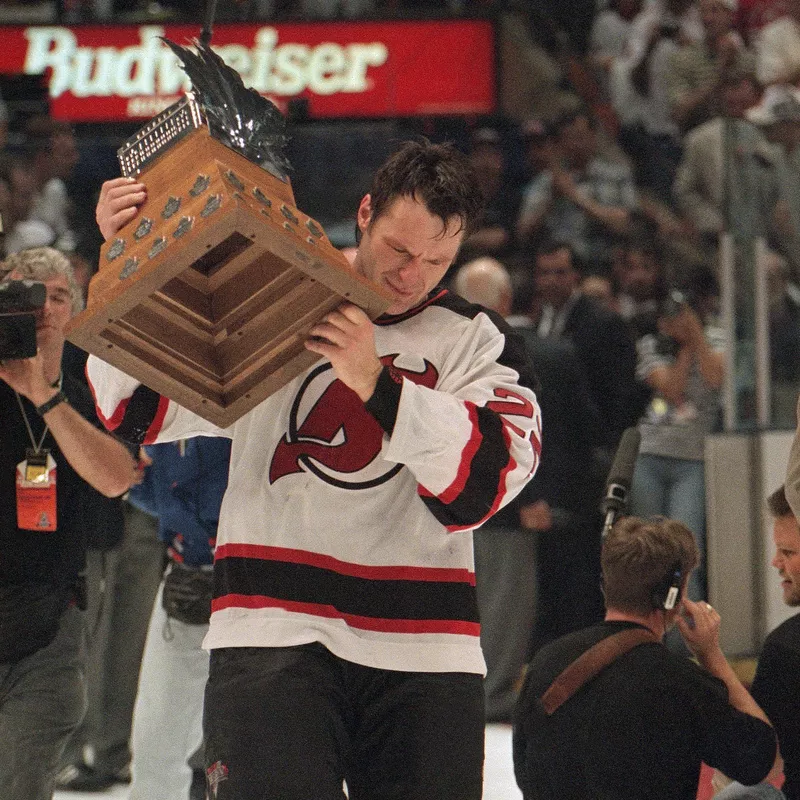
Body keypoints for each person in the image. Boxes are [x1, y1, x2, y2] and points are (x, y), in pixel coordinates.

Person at [87, 140, 541, 799]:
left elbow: (487, 484)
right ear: (364, 213)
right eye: (399, 250)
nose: (413, 275)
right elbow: (132, 410)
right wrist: (129, 255)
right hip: (270, 629)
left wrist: (377, 385)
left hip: (424, 651)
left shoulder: (477, 341)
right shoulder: (273, 296)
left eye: (437, 259)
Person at [0, 247, 139, 800]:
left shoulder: (93, 381)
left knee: (19, 779)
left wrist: (44, 395)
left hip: (51, 615)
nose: (40, 309)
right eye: (22, 296)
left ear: (75, 311)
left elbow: (117, 476)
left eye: (54, 296)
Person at [513, 515, 780, 800]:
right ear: (671, 595)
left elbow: (523, 771)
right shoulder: (677, 679)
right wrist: (710, 654)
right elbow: (763, 762)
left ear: (607, 584)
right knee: (760, 795)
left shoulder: (546, 661)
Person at [127, 437, 232, 800]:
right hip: (188, 576)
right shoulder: (162, 398)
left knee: (260, 748)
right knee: (155, 746)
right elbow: (154, 491)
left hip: (260, 585)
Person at [713, 484, 800, 800]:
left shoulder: (787, 648)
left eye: (788, 552)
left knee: (736, 795)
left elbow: (759, 762)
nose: (776, 563)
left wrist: (711, 656)